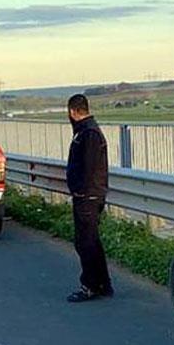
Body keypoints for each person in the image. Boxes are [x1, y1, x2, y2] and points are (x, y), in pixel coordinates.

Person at [64, 93, 112, 302]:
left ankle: (91, 285)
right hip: (89, 193)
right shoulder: (85, 131)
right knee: (91, 240)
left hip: (89, 195)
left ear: (73, 112)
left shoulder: (89, 134)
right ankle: (102, 283)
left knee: (85, 241)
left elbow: (89, 167)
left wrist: (81, 190)